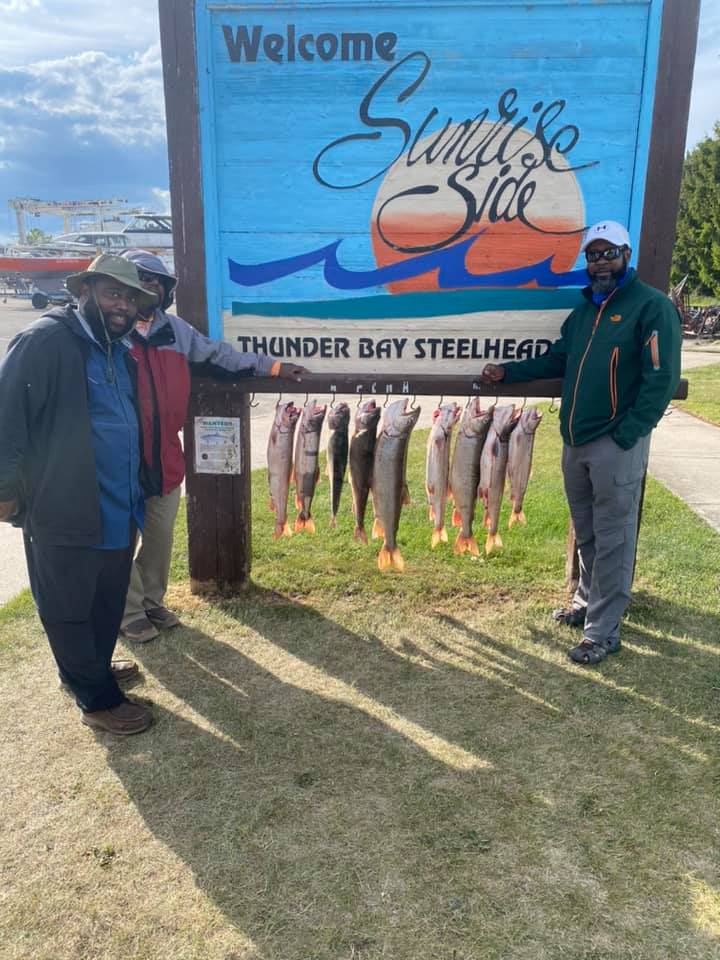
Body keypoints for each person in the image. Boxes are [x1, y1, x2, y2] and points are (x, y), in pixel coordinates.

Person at [482, 220, 681, 665]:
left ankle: (603, 632)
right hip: (576, 441)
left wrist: (629, 433)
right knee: (588, 532)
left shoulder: (651, 308)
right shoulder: (585, 311)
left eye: (609, 253)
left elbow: (661, 379)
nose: (600, 262)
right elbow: (558, 357)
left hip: (615, 443)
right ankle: (586, 603)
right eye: (593, 255)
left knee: (613, 537)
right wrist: (508, 372)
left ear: (626, 255)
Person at [0, 254, 159, 734]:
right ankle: (95, 700)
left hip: (117, 505)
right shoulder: (44, 341)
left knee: (105, 600)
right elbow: (8, 419)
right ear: (84, 291)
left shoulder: (118, 346)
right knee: (68, 606)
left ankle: (91, 667)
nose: (124, 305)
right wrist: (5, 493)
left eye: (131, 298)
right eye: (113, 293)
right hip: (63, 506)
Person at [117, 249, 306, 643]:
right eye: (139, 279)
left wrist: (272, 367)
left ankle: (152, 601)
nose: (147, 287)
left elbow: (220, 354)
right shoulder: (110, 332)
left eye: (155, 281)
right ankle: (129, 611)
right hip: (118, 457)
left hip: (165, 455)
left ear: (165, 290)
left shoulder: (176, 331)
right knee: (120, 539)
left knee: (159, 537)